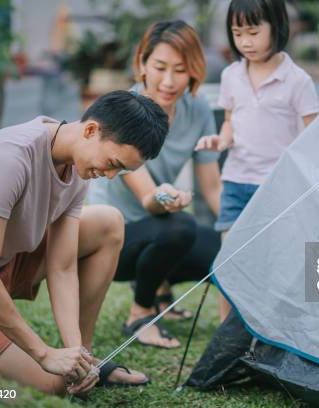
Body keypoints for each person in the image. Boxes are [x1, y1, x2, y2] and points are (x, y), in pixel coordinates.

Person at [0, 91, 169, 396]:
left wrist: (76, 355)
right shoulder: (10, 159)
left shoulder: (77, 165)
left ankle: (84, 356)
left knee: (108, 222)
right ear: (90, 130)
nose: (111, 176)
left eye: (122, 170)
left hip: (4, 265)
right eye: (112, 163)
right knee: (57, 384)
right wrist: (44, 353)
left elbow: (62, 266)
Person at [87, 20, 222, 349]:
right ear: (142, 64)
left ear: (194, 70)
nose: (169, 81)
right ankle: (140, 313)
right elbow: (149, 198)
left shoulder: (198, 109)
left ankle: (160, 290)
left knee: (223, 251)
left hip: (156, 226)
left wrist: (240, 230)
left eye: (181, 69)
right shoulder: (126, 113)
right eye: (160, 66)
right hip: (112, 240)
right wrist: (168, 197)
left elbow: (213, 187)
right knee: (180, 226)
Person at [195, 0, 319, 321]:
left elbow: (315, 136)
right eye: (237, 33)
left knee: (275, 262)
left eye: (253, 32)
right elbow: (229, 122)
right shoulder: (231, 75)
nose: (245, 42)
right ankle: (227, 332)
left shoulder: (298, 80)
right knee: (230, 261)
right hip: (236, 182)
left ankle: (271, 328)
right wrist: (220, 141)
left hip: (278, 187)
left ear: (277, 28)